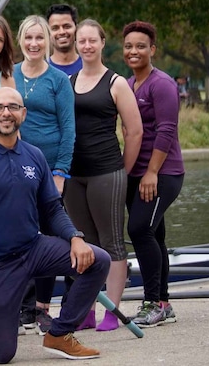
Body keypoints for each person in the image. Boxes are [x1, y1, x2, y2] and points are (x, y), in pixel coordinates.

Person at [0, 87, 110, 363]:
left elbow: (52, 208)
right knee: (1, 353)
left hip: (34, 249)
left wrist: (75, 238)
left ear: (23, 113)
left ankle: (60, 333)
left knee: (98, 259)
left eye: (13, 107)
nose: (6, 113)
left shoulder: (34, 156)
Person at [64, 19, 142, 332]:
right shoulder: (68, 81)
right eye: (81, 41)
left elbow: (134, 131)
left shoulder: (116, 82)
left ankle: (114, 311)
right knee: (85, 244)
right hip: (74, 174)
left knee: (111, 243)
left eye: (91, 40)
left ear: (101, 42)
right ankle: (87, 311)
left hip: (106, 172)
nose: (86, 46)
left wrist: (123, 168)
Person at [12, 15, 75, 334]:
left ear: (47, 41)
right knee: (20, 234)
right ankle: (20, 306)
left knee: (48, 238)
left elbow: (69, 129)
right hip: (16, 166)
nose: (34, 43)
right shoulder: (9, 75)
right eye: (28, 38)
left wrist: (61, 172)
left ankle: (41, 308)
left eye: (40, 38)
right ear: (21, 40)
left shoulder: (58, 80)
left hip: (50, 169)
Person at [122, 21, 184, 327]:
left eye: (141, 46)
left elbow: (167, 130)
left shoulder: (162, 84)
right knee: (154, 233)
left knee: (139, 229)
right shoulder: (128, 83)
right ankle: (164, 302)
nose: (134, 51)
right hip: (136, 172)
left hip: (163, 172)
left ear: (152, 50)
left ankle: (151, 302)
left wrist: (151, 173)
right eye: (129, 46)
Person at [46, 4, 82, 76]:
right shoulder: (41, 69)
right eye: (55, 28)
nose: (61, 32)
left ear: (77, 29)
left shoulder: (89, 66)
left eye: (67, 26)